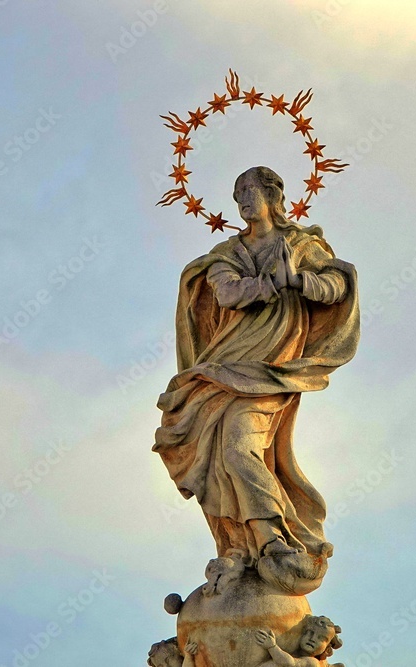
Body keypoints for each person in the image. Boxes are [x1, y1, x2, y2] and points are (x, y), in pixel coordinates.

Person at [153, 166, 360, 563]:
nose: (242, 200)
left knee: (237, 448)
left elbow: (337, 285)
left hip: (270, 369)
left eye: (248, 190)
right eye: (236, 194)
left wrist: (299, 281)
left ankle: (273, 538)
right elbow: (228, 293)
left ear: (273, 195)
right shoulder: (225, 254)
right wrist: (272, 283)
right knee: (219, 454)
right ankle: (247, 545)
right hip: (222, 366)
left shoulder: (300, 245)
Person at [252, 616, 344, 666]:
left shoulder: (312, 663)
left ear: (327, 649)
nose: (312, 639)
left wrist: (272, 647)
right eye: (310, 633)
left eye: (321, 638)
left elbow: (288, 663)